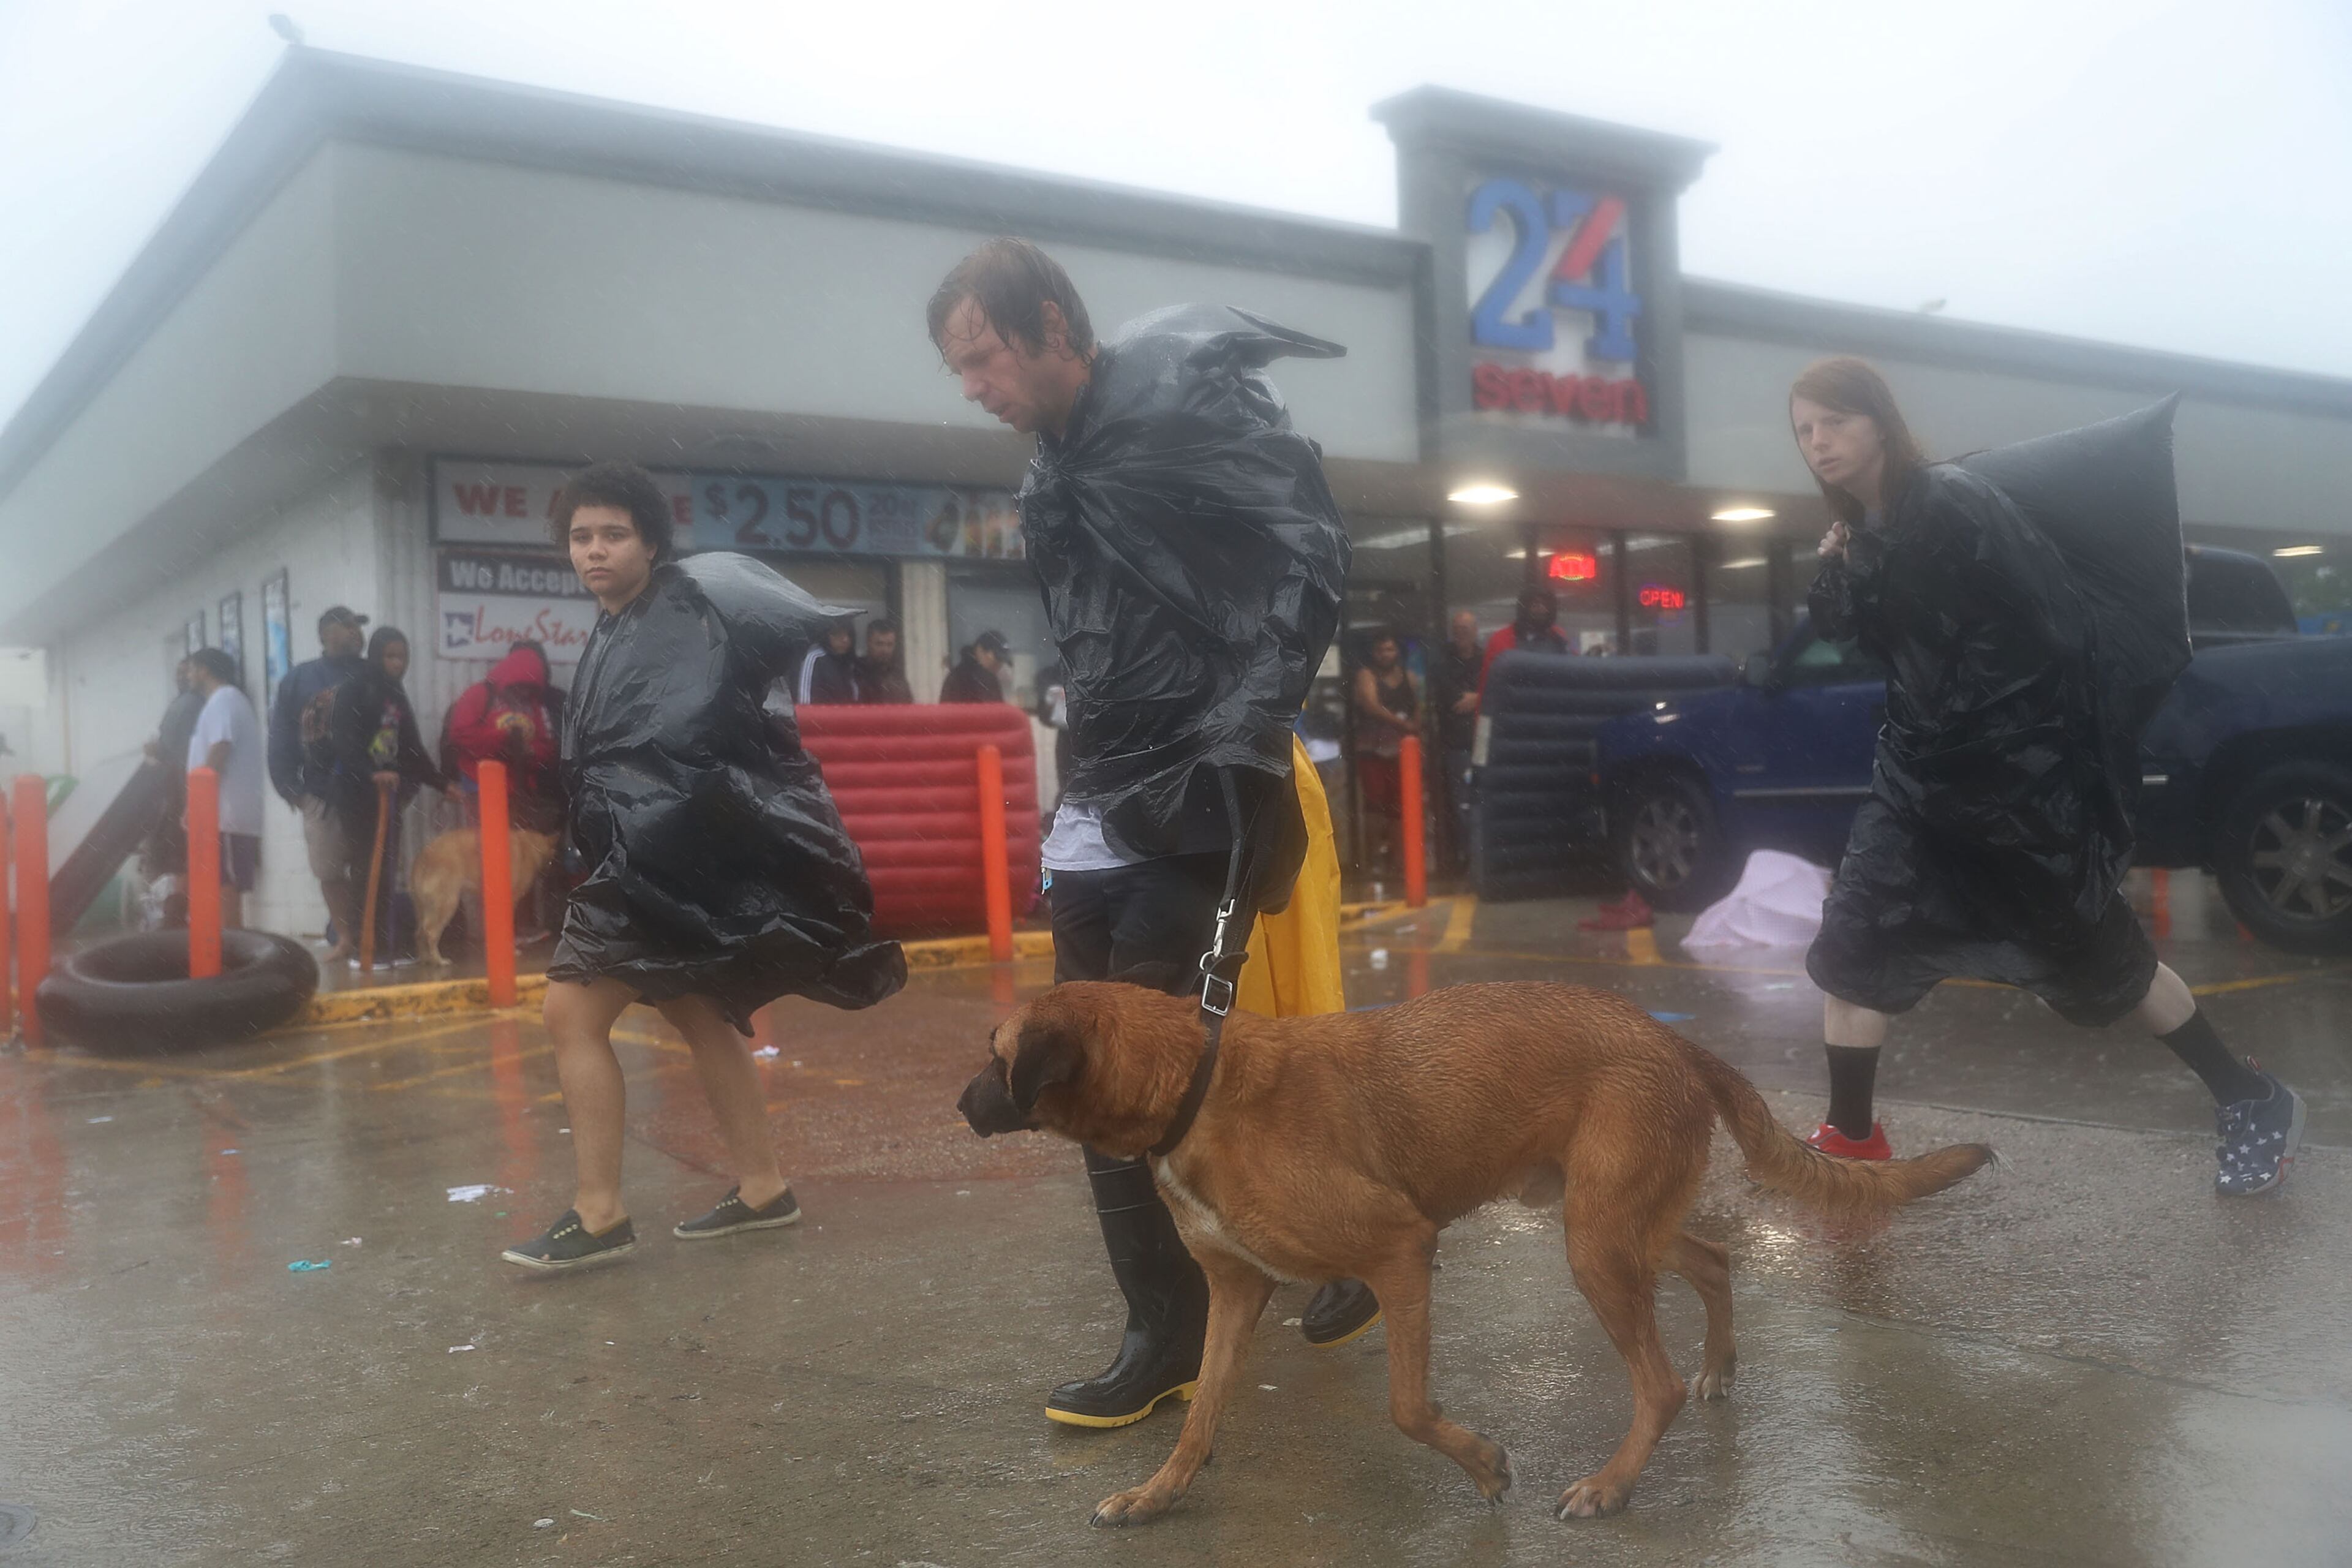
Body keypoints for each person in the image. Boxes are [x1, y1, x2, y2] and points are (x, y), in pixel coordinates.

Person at [929, 235, 1376, 1429]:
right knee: (1083, 1071)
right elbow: (1096, 635)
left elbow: (1308, 550)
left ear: (1054, 328)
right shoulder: (1048, 467)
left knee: (1143, 1060)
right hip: (1102, 801)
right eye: (959, 368)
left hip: (1207, 788)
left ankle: (1309, 1254)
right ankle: (1174, 1323)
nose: (975, 386)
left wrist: (1245, 716)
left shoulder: (1182, 399)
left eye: (984, 357)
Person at [1792, 356, 2304, 1194]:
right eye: (1805, 430)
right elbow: (1859, 631)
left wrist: (1972, 720)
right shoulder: (1872, 529)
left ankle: (2250, 1096)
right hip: (1916, 782)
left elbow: (2055, 627)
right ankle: (1853, 1134)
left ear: (1879, 422)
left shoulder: (1955, 506)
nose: (1819, 443)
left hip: (2016, 786)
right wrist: (1842, 566)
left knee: (2096, 956)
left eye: (1835, 422)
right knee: (1854, 939)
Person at [503, 462, 904, 1272]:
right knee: (698, 1010)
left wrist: (638, 836)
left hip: (653, 858)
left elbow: (684, 742)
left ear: (650, 541)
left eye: (613, 534)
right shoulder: (626, 622)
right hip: (655, 856)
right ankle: (763, 1188)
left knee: (570, 1018)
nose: (595, 551)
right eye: (581, 537)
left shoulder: (675, 622)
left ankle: (600, 1212)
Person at [325, 627, 450, 964]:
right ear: (377, 655)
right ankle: (364, 949)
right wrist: (370, 772)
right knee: (368, 868)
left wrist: (442, 784)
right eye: (391, 656)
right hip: (357, 794)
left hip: (387, 795)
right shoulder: (355, 689)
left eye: (403, 657)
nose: (397, 664)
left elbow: (411, 747)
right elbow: (344, 740)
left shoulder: (396, 694)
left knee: (386, 870)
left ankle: (383, 944)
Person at [268, 606, 369, 959]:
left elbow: (396, 724)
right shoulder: (299, 679)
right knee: (328, 870)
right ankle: (345, 938)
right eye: (347, 626)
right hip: (320, 792)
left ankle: (371, 939)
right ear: (325, 634)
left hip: (369, 791)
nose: (355, 632)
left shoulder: (374, 674)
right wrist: (292, 790)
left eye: (358, 626)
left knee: (369, 867)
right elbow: (281, 736)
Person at [183, 649, 266, 930]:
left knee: (226, 884)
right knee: (220, 882)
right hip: (220, 813)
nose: (189, 675)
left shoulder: (225, 699)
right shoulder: (219, 702)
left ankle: (230, 950)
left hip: (227, 813)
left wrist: (198, 801)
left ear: (205, 670)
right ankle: (223, 948)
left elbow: (221, 747)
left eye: (192, 669)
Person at [443, 641, 564, 831]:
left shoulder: (536, 706)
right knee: (488, 844)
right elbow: (460, 735)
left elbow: (548, 747)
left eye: (530, 687)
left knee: (519, 849)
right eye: (520, 685)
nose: (524, 692)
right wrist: (502, 739)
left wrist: (530, 752)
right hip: (481, 785)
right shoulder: (479, 694)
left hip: (521, 791)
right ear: (510, 675)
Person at [138, 658, 206, 925]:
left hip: (185, 789)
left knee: (182, 854)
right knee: (170, 853)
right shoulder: (179, 704)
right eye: (178, 671)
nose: (182, 675)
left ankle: (177, 915)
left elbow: (183, 752)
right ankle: (172, 913)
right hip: (170, 789)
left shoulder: (194, 705)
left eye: (186, 670)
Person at [1350, 630, 1421, 878]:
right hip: (1372, 748)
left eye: (1390, 649)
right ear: (1373, 653)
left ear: (1397, 652)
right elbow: (1370, 705)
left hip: (1402, 751)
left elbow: (1420, 706)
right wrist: (1402, 724)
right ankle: (1373, 859)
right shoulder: (1365, 675)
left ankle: (1398, 859)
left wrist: (1415, 726)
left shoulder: (1409, 677)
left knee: (1399, 806)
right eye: (1380, 650)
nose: (1385, 655)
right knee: (1375, 803)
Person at [1429, 611, 1483, 871]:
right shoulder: (1443, 661)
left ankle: (1483, 853)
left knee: (1483, 801)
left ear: (1476, 631)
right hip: (1456, 745)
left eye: (1467, 629)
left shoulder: (1486, 660)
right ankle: (1468, 856)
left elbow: (1495, 690)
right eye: (1458, 629)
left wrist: (1477, 698)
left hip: (1484, 744)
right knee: (1462, 804)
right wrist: (1477, 698)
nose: (1463, 634)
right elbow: (1451, 698)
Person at [1478, 585, 1570, 690]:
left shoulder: (1559, 637)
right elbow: (1487, 684)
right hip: (1513, 703)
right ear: (1525, 608)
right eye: (1536, 604)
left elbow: (1569, 676)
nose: (1541, 609)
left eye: (1546, 605)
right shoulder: (1500, 640)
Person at [796, 617, 862, 705]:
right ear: (826, 635)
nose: (845, 640)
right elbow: (804, 701)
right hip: (821, 717)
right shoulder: (815, 658)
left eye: (849, 634)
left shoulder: (849, 661)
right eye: (838, 634)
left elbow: (856, 697)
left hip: (848, 717)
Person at [940, 629, 1011, 703]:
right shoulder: (988, 680)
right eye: (997, 658)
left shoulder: (955, 675)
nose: (999, 665)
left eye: (1001, 660)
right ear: (980, 650)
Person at [856, 619, 913, 704]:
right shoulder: (856, 673)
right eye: (879, 644)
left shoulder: (898, 675)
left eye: (890, 645)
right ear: (868, 643)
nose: (885, 650)